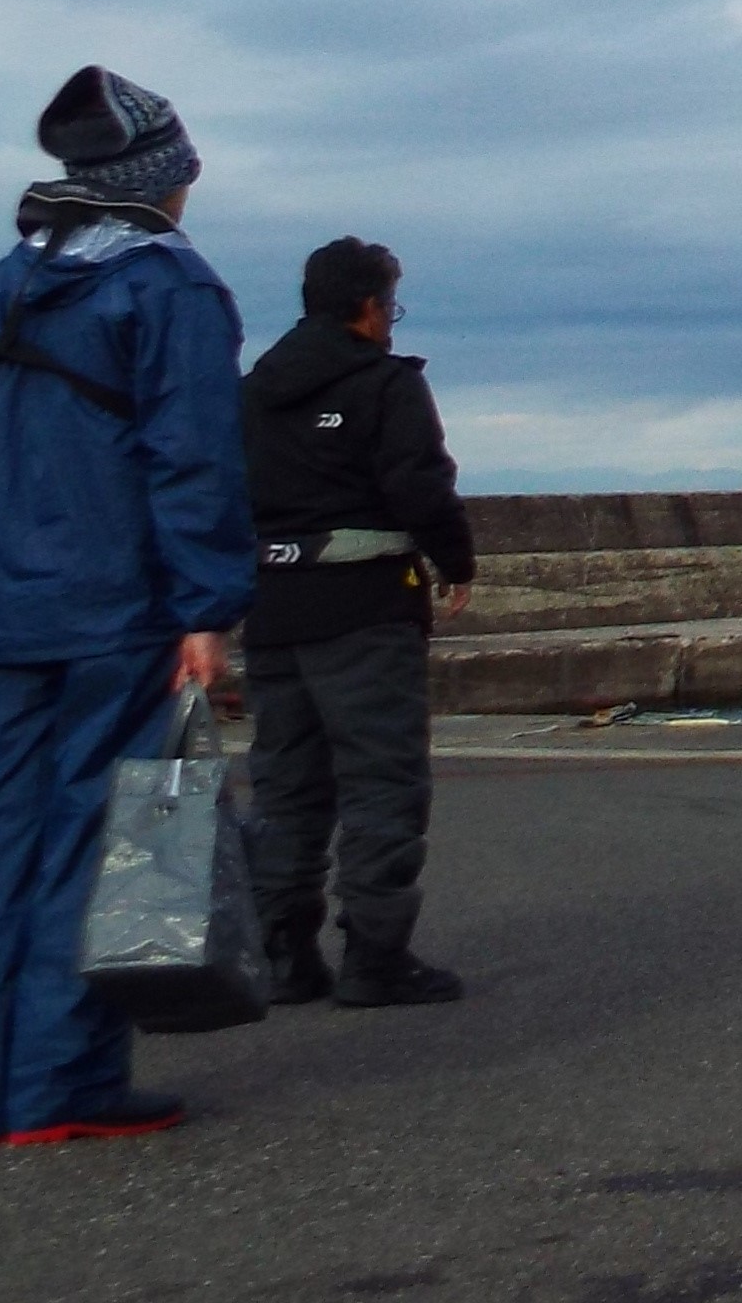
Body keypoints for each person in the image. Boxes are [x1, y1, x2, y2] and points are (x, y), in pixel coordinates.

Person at [0, 68, 254, 1147]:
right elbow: (191, 458)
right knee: (100, 835)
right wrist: (206, 609)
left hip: (8, 611)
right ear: (166, 181)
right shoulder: (169, 287)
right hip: (117, 607)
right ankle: (59, 1088)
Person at [238, 236, 471, 1008]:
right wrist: (456, 561)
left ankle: (283, 952)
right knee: (381, 781)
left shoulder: (253, 391)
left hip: (272, 607)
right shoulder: (386, 385)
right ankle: (375, 957)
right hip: (364, 608)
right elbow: (420, 488)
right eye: (391, 305)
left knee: (286, 785)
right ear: (369, 308)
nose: (393, 321)